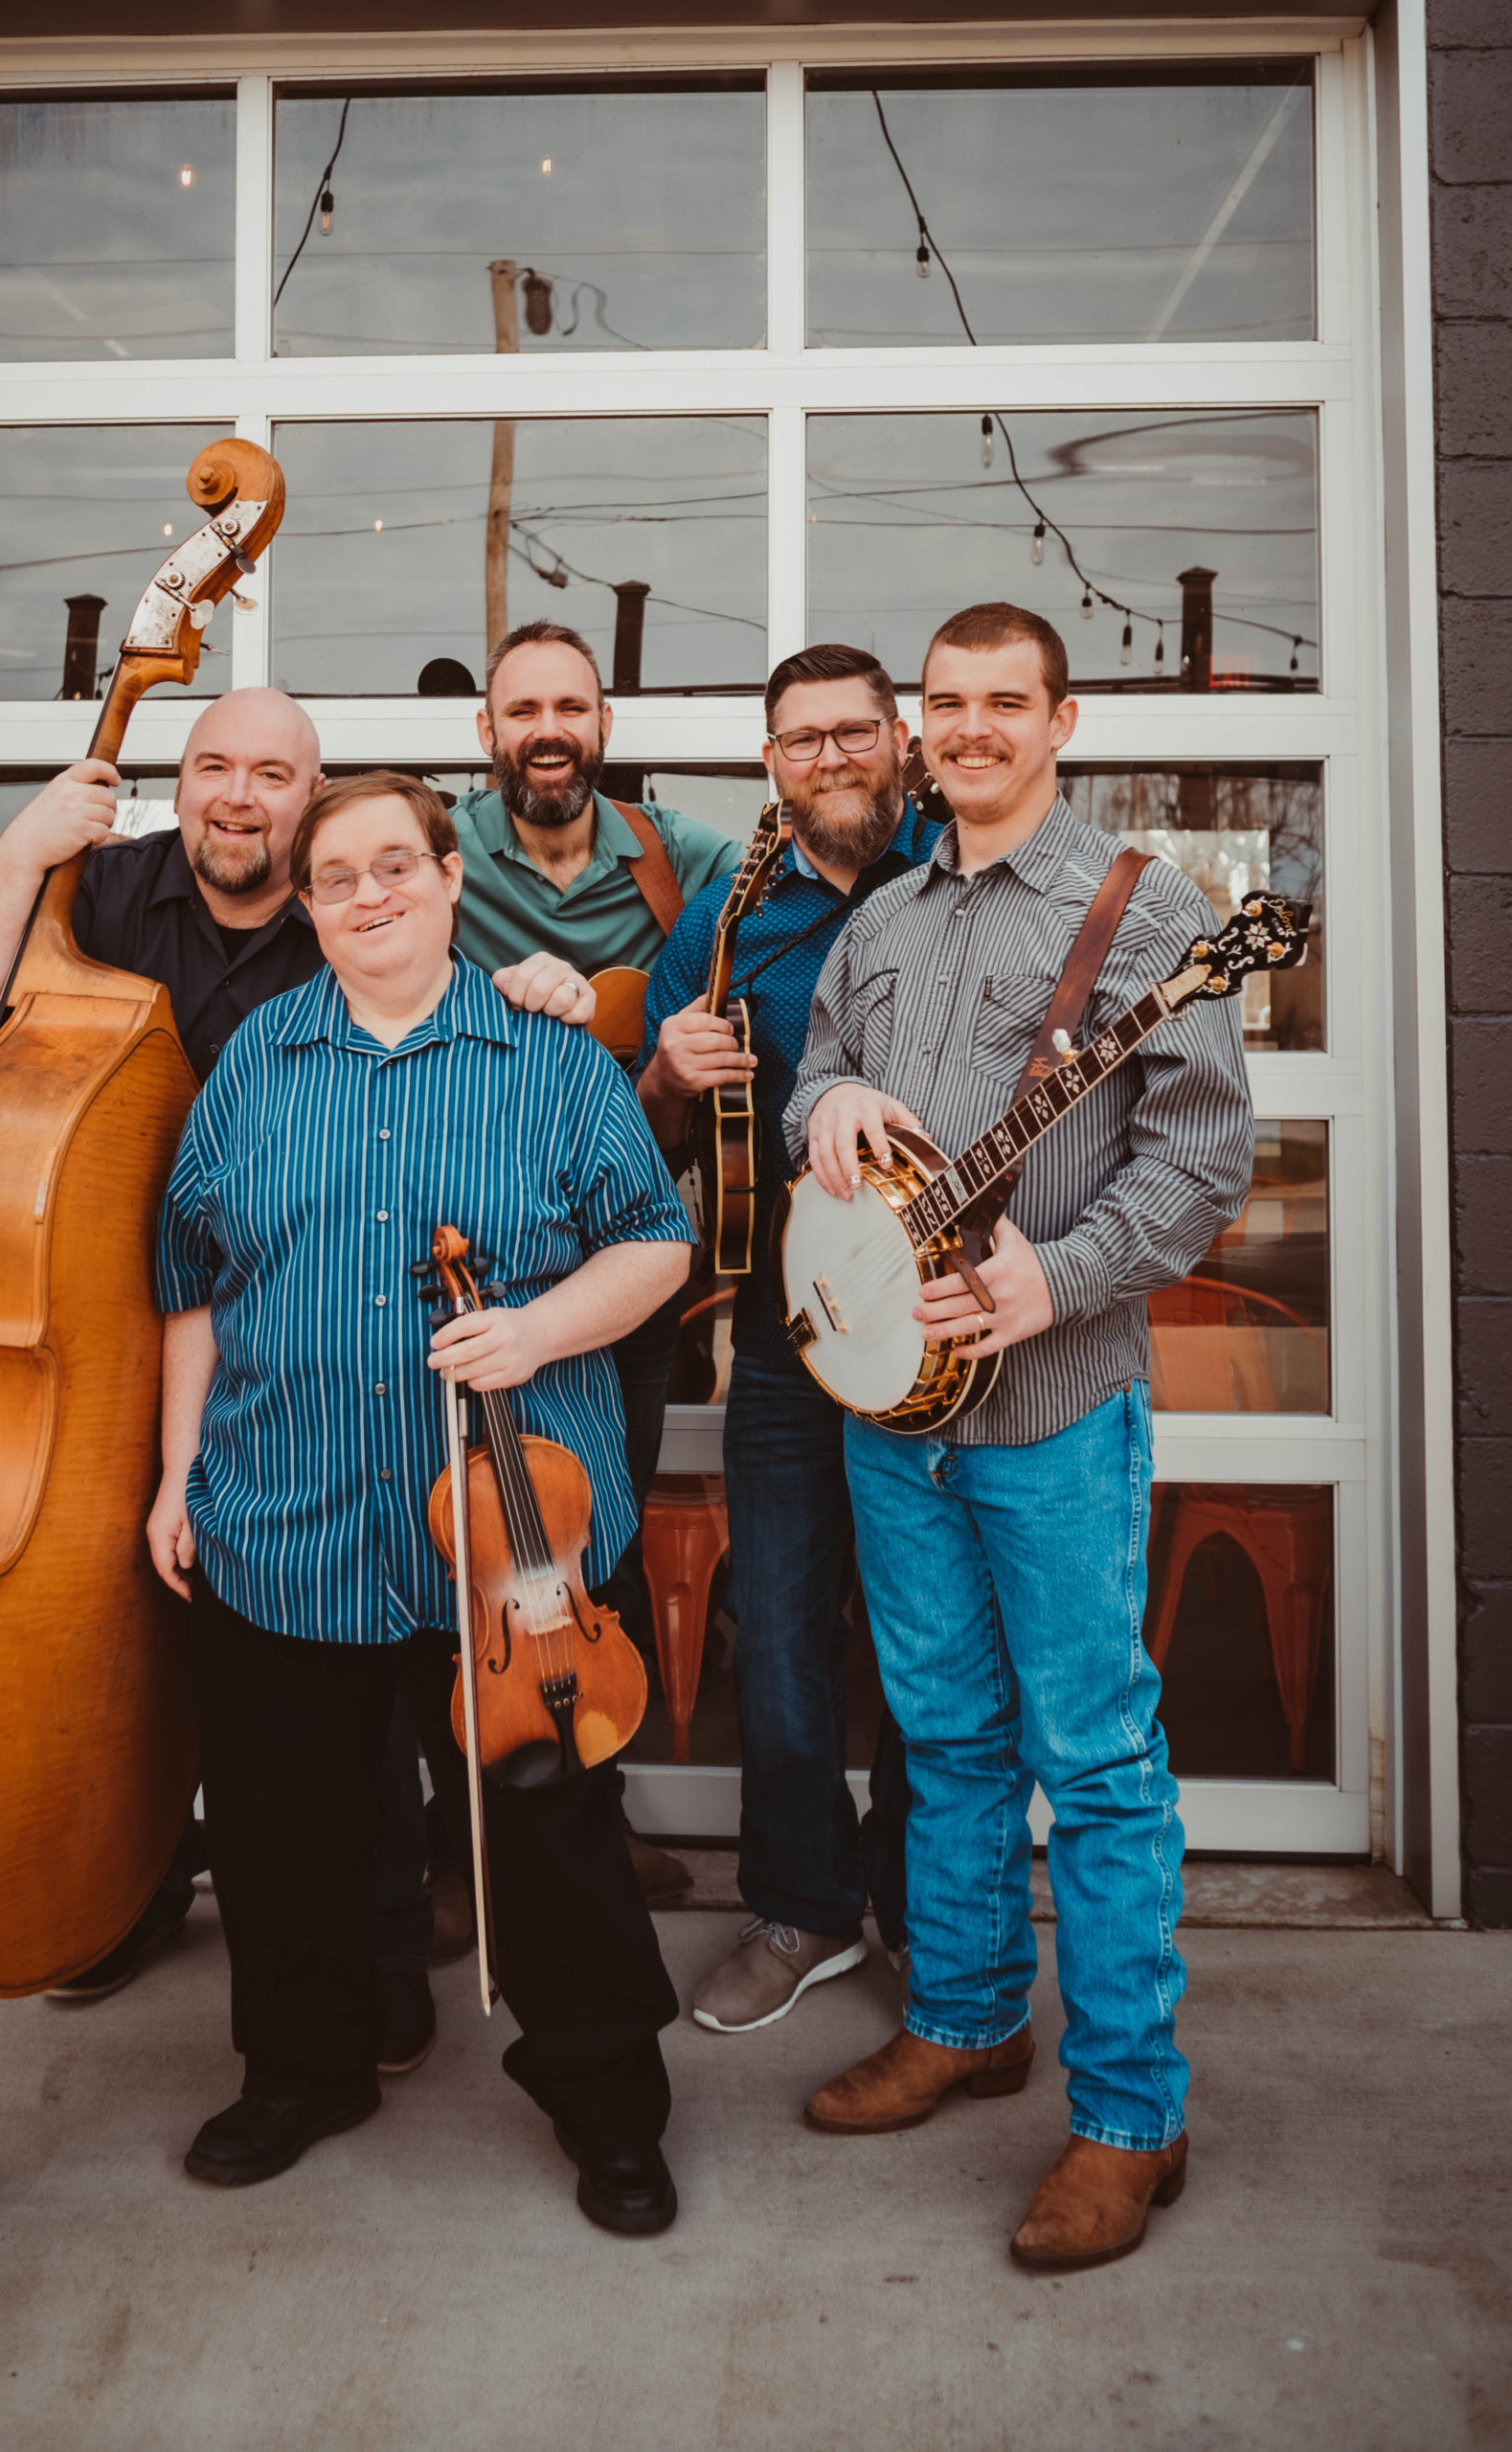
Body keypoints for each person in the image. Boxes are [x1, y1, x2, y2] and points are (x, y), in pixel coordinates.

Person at [0, 690, 591, 2045]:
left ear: (310, 800)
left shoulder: (347, 909)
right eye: (213, 766)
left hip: (283, 1343)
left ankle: (382, 1970)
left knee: (337, 1678)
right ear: (179, 785)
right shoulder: (106, 890)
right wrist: (21, 850)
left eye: (273, 775)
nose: (239, 795)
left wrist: (546, 982)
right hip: (108, 1331)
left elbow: (472, 1000)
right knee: (152, 1650)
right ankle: (130, 1881)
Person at [147, 768, 695, 2234]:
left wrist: (537, 1331)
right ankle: (304, 2070)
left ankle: (608, 2105)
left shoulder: (550, 1058)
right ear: (307, 906)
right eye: (336, 877)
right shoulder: (254, 1062)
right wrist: (176, 1474)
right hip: (286, 1515)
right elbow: (191, 1280)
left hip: (516, 1544)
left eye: (397, 865)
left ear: (453, 882)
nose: (368, 895)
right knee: (287, 1832)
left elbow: (656, 1243)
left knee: (554, 1840)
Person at [782, 603, 1254, 2272]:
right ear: (920, 725)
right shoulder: (883, 916)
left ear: (1062, 720)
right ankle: (971, 2021)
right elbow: (814, 1080)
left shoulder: (1145, 911)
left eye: (1006, 701)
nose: (971, 727)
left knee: (1096, 1763)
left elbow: (1201, 1155)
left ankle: (1131, 2115)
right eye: (948, 702)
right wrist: (828, 1106)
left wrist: (1055, 1276)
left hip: (1053, 1410)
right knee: (944, 1735)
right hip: (890, 1414)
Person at [633, 645, 941, 2035]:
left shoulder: (964, 879)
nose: (832, 758)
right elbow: (640, 1154)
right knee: (778, 1628)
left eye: (854, 733)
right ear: (770, 764)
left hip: (946, 1325)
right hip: (786, 1335)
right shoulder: (723, 927)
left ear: (901, 742)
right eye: (803, 739)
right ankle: (805, 1904)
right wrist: (666, 1076)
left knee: (936, 1633)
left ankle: (929, 1907)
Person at [425, 619, 742, 1938]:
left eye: (571, 706)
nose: (547, 729)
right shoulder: (437, 847)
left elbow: (781, 957)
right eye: (523, 709)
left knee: (587, 1546)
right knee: (443, 1548)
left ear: (604, 724)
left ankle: (577, 1826)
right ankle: (458, 1843)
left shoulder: (690, 860)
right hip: (457, 1268)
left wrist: (678, 1057)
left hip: (621, 1262)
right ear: (487, 732)